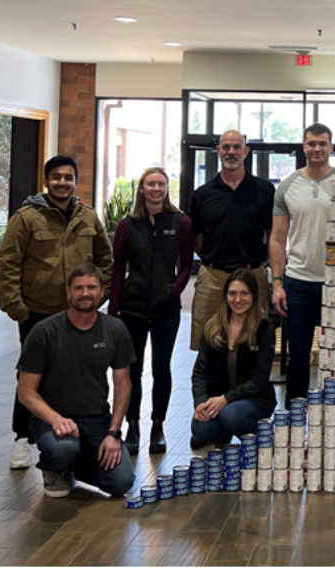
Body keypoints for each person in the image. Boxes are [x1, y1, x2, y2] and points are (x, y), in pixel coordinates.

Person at [0, 156, 113, 472]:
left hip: (80, 313)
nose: (62, 182)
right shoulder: (26, 217)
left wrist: (99, 296)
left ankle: (73, 433)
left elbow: (106, 259)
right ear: (46, 180)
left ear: (76, 181)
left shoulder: (87, 217)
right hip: (37, 313)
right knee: (31, 375)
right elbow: (7, 264)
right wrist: (18, 310)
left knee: (78, 373)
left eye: (68, 177)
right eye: (56, 177)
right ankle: (22, 437)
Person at [16, 264, 136, 499]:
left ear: (102, 291)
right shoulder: (44, 332)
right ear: (68, 292)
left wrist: (114, 432)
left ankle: (73, 465)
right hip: (53, 420)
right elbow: (26, 392)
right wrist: (55, 419)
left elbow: (123, 385)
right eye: (79, 288)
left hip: (97, 418)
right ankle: (57, 466)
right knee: (63, 448)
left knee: (121, 483)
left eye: (92, 287)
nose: (85, 293)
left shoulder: (115, 329)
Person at [109, 168, 194, 456]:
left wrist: (174, 290)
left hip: (166, 310)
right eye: (151, 184)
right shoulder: (127, 225)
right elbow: (118, 270)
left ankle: (158, 424)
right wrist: (113, 310)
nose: (156, 188)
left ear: (167, 188)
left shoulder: (180, 222)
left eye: (161, 184)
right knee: (132, 370)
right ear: (142, 189)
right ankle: (132, 425)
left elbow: (186, 265)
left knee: (162, 368)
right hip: (131, 309)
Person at [189, 130, 275, 352]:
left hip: (252, 276)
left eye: (237, 147)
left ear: (245, 152)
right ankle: (211, 388)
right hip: (213, 278)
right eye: (226, 147)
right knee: (206, 343)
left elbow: (273, 235)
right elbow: (197, 240)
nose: (231, 152)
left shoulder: (265, 191)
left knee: (254, 343)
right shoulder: (202, 194)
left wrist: (260, 262)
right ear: (218, 151)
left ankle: (249, 388)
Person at [270, 124, 335, 405]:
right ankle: (295, 423)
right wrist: (277, 283)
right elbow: (277, 238)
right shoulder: (287, 186)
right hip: (297, 281)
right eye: (311, 143)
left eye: (322, 143)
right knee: (297, 355)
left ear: (331, 147)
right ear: (304, 147)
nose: (316, 148)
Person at [192, 269, 278, 448]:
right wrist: (201, 403)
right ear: (225, 296)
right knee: (201, 429)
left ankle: (266, 439)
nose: (238, 300)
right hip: (219, 399)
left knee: (231, 416)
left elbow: (259, 380)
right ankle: (224, 431)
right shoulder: (212, 328)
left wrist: (226, 399)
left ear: (254, 296)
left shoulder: (264, 329)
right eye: (233, 293)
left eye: (244, 293)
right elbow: (199, 372)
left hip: (256, 399)